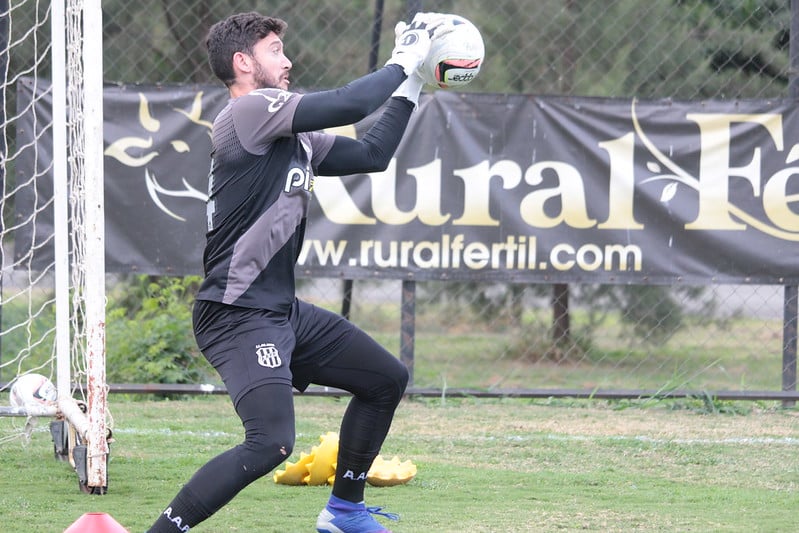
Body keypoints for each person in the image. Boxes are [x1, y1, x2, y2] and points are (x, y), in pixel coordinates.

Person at [146, 11, 452, 533]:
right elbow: (351, 104)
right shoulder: (248, 110)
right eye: (274, 51)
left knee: (385, 380)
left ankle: (344, 512)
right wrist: (405, 58)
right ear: (243, 63)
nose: (287, 61)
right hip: (236, 313)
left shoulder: (295, 137)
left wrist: (415, 82)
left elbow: (373, 154)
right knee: (269, 442)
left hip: (280, 312)